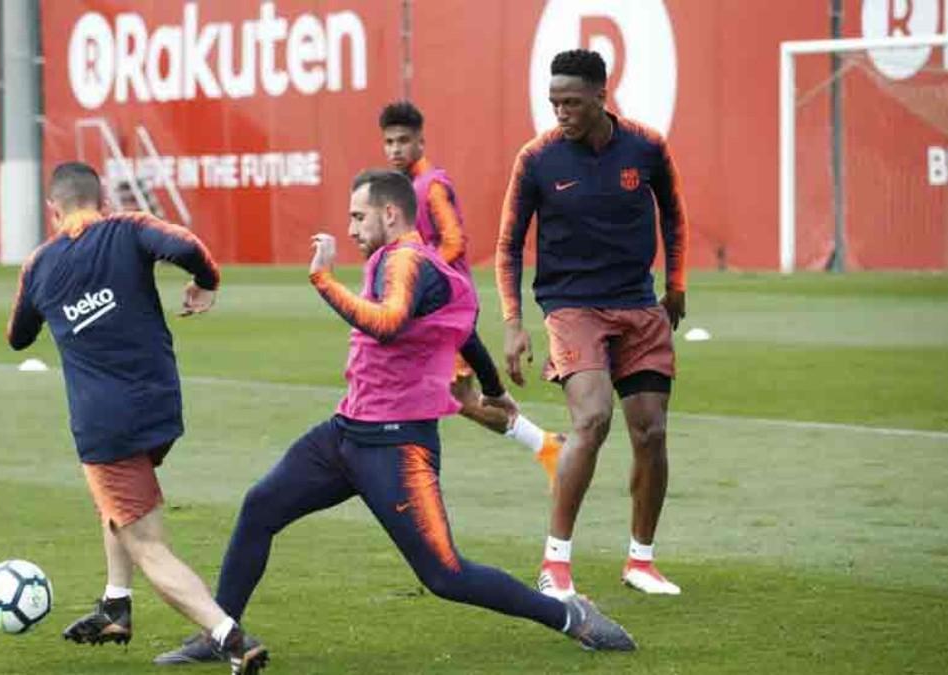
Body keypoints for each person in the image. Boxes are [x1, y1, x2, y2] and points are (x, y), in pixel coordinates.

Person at [154, 170, 635, 667]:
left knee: (446, 575)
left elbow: (386, 325)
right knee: (260, 507)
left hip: (397, 448)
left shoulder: (405, 260)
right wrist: (493, 390)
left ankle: (569, 616)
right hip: (346, 434)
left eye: (358, 217)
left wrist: (322, 278)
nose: (352, 228)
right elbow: (464, 333)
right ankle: (221, 633)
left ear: (390, 214)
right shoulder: (409, 262)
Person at [6, 162, 268, 675]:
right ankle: (115, 606)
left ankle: (229, 637)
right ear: (102, 197)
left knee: (146, 543)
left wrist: (66, 308)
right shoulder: (130, 228)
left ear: (52, 209)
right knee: (117, 504)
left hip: (106, 425)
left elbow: (17, 336)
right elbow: (188, 246)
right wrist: (205, 282)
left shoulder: (39, 265)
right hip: (160, 406)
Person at [496, 49, 690, 600]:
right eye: (554, 102)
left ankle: (641, 561)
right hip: (571, 305)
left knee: (651, 431)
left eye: (572, 102)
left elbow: (674, 215)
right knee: (594, 418)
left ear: (602, 96)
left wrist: (675, 283)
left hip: (638, 300)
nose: (561, 111)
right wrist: (513, 322)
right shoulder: (536, 159)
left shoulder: (646, 148)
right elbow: (508, 245)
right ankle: (555, 563)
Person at [379, 101, 563, 482]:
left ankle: (545, 444)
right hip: (433, 309)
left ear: (421, 142)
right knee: (442, 394)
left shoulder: (432, 186)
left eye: (403, 141)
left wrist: (418, 273)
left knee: (450, 397)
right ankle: (545, 444)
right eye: (389, 142)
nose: (395, 149)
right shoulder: (406, 188)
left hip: (447, 307)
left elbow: (454, 242)